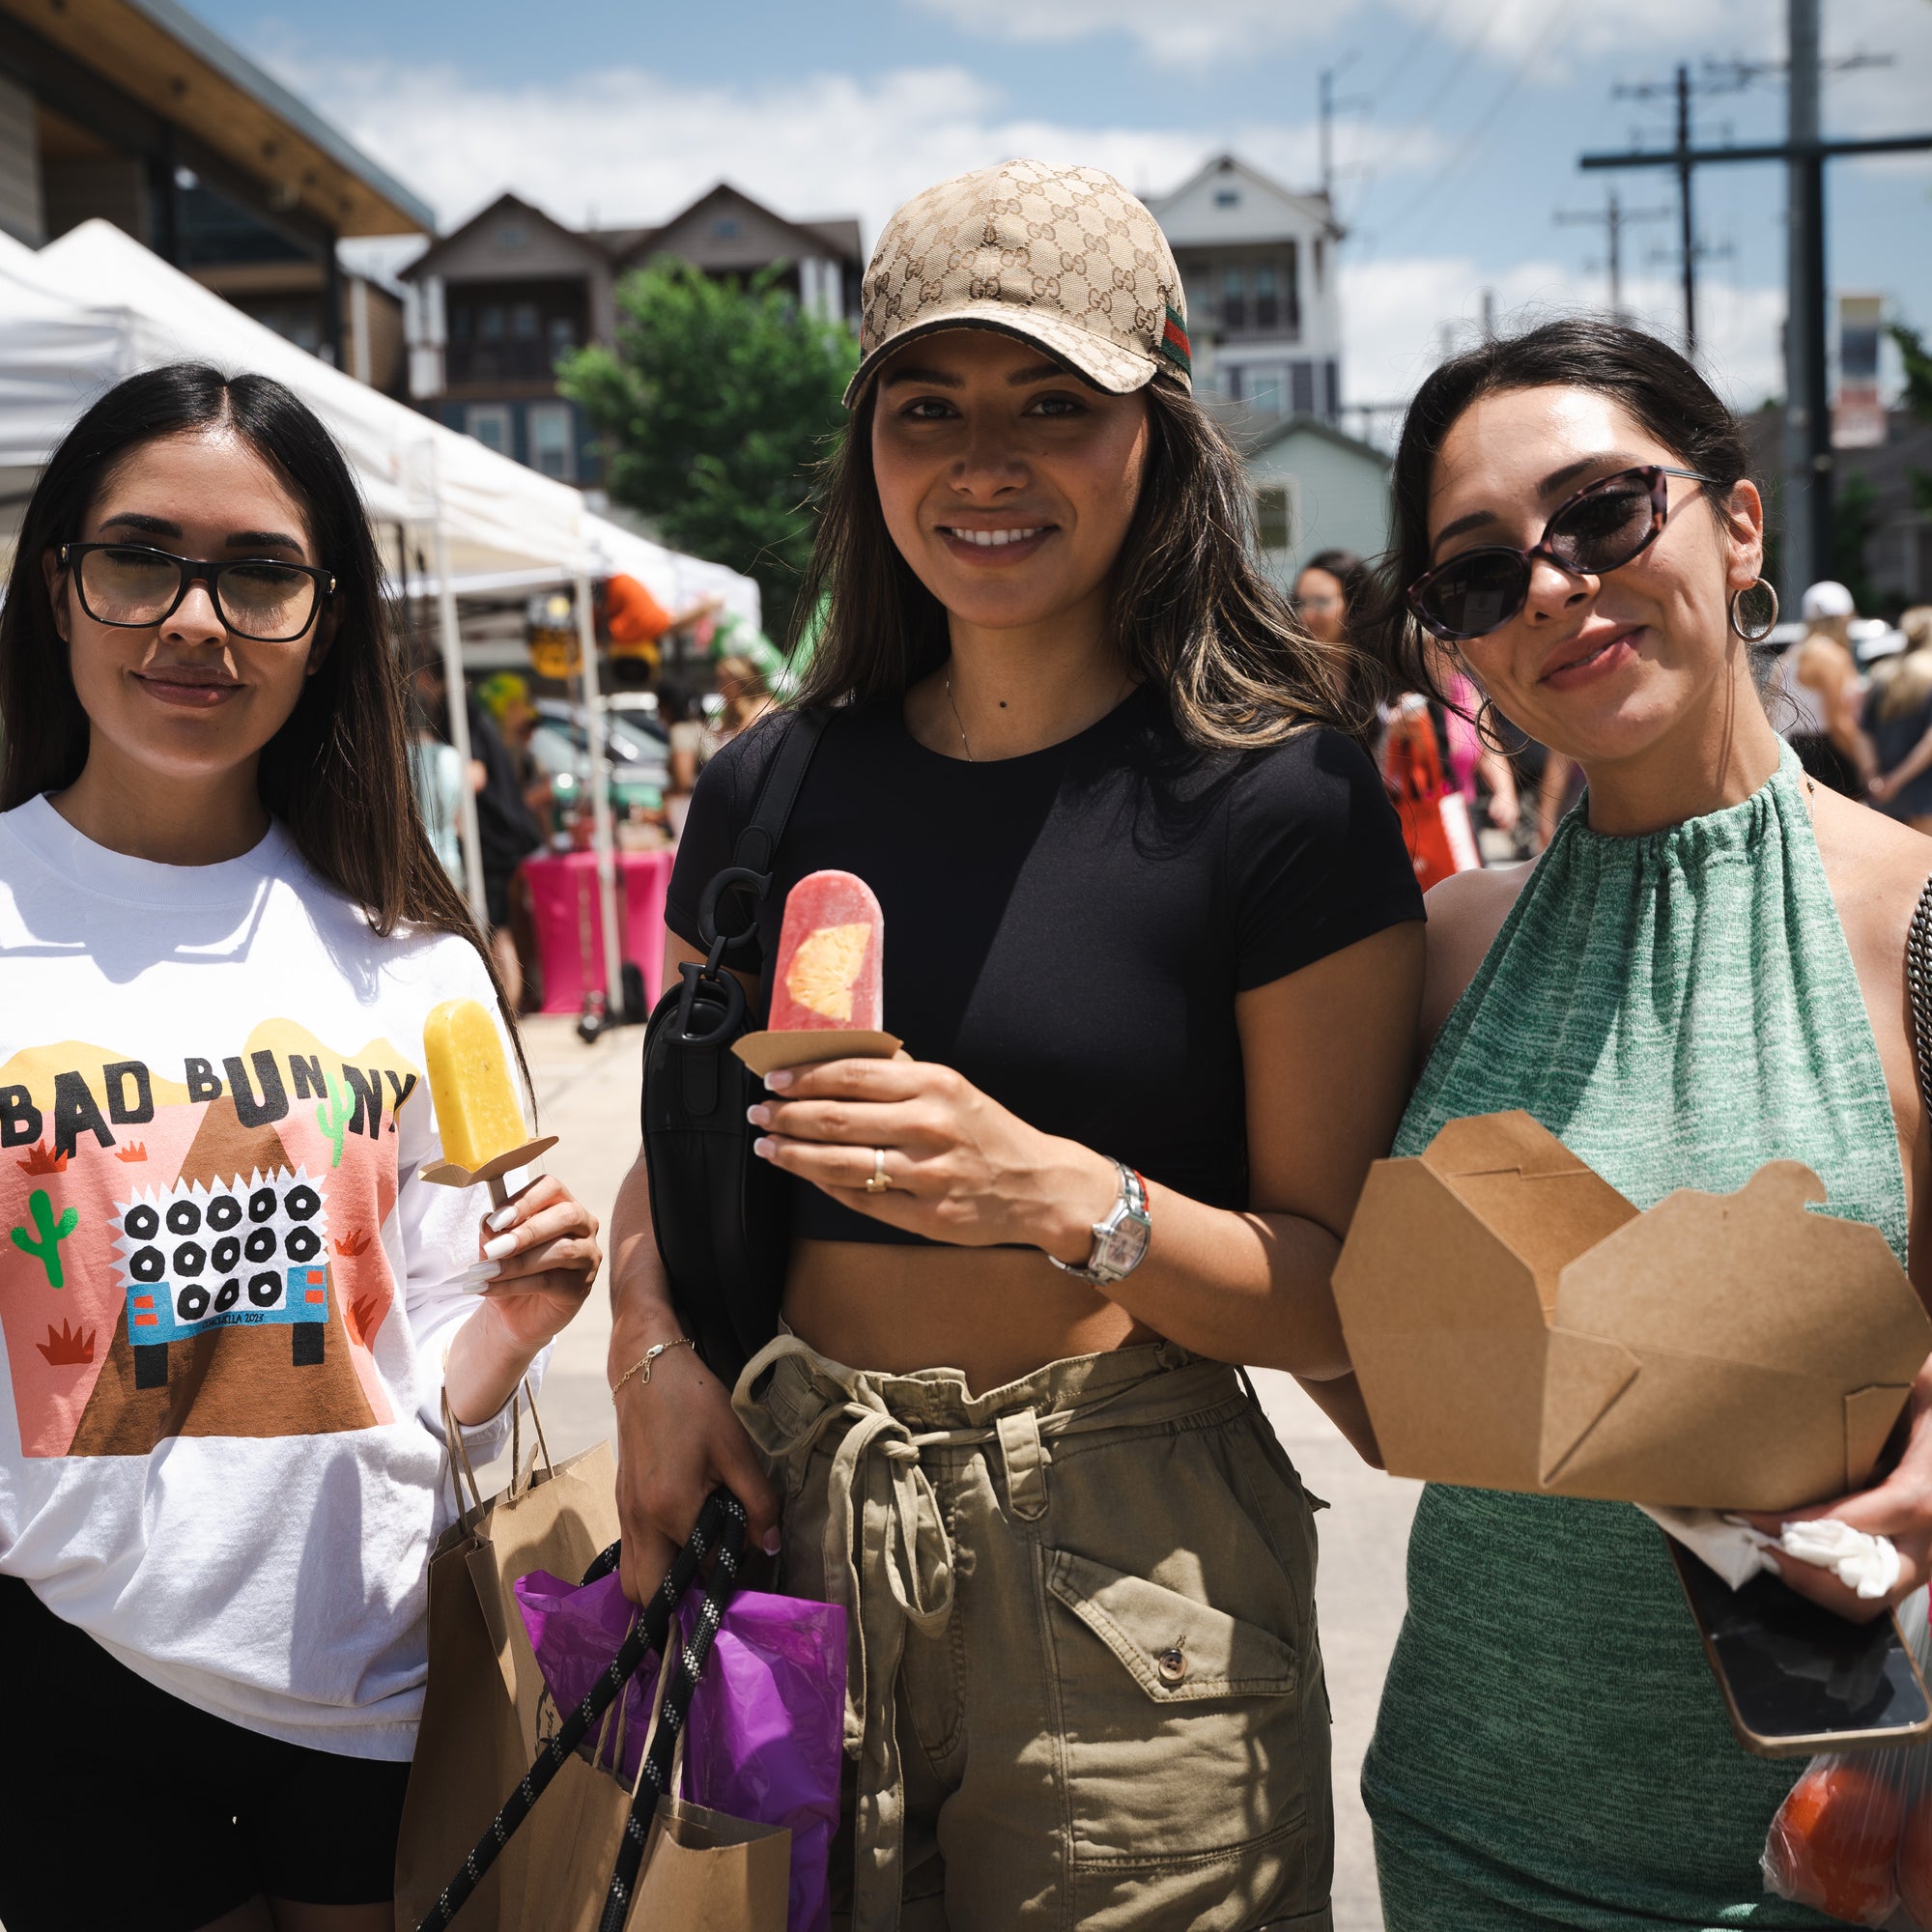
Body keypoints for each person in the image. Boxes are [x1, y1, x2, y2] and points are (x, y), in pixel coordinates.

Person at [604, 157, 1425, 1931]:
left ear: (1160, 431)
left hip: (1130, 1576)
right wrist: (650, 1359)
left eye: (1055, 404)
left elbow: (1340, 1297)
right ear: (869, 444)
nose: (986, 462)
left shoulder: (1280, 799)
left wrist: (1060, 1194)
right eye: (930, 407)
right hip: (799, 1537)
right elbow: (670, 1156)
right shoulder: (767, 785)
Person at [0, 364, 602, 1932]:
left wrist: (511, 1331)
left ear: (326, 620)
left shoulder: (412, 957)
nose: (195, 619)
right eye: (139, 557)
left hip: (370, 1669)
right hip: (61, 1663)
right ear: (58, 586)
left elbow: (430, 1379)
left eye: (261, 573)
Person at [1356, 318, 1932, 1928]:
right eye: (1477, 576)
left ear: (1737, 522)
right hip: (1465, 1828)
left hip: (1835, 1852)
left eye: (1603, 514)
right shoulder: (1447, 947)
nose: (1548, 585)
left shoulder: (1918, 930)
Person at [1780, 578, 1873, 795]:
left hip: (1798, 750)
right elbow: (1839, 723)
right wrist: (1868, 766)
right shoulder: (1832, 656)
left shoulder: (1792, 655)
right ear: (1843, 618)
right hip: (1828, 756)